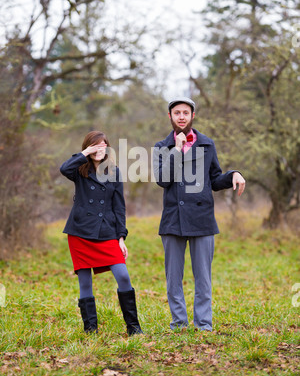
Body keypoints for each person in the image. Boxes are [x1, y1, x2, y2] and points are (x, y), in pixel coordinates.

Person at [153, 97, 245, 331]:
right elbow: (163, 180)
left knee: (203, 277)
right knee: (173, 278)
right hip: (173, 219)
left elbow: (214, 179)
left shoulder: (207, 144)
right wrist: (176, 150)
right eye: (177, 113)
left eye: (186, 112)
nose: (181, 116)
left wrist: (232, 174)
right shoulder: (161, 147)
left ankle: (204, 325)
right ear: (170, 117)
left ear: (193, 116)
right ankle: (179, 324)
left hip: (202, 218)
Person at [60, 131, 143, 336]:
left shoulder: (114, 172)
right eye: (95, 146)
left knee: (123, 276)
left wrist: (121, 237)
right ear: (89, 148)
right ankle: (90, 330)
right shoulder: (79, 170)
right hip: (80, 232)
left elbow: (119, 208)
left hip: (106, 232)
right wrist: (85, 152)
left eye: (103, 145)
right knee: (85, 282)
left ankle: (133, 328)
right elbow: (63, 168)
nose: (99, 149)